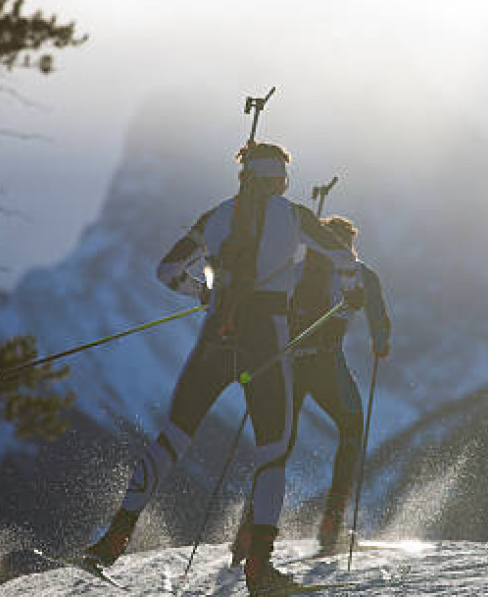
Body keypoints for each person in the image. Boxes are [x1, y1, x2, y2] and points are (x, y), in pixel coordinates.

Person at [83, 142, 364, 595]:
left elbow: (167, 270)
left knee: (172, 439)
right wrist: (350, 292)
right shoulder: (295, 217)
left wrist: (202, 292)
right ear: (279, 179)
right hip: (265, 342)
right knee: (273, 451)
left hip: (215, 339)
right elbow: (344, 258)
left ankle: (111, 541)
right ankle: (259, 570)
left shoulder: (215, 217)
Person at [229, 214, 391, 565]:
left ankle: (248, 531)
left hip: (286, 364)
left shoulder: (294, 270)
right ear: (349, 244)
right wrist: (380, 344)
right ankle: (332, 524)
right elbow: (379, 324)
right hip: (326, 364)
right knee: (351, 428)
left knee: (278, 445)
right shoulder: (360, 273)